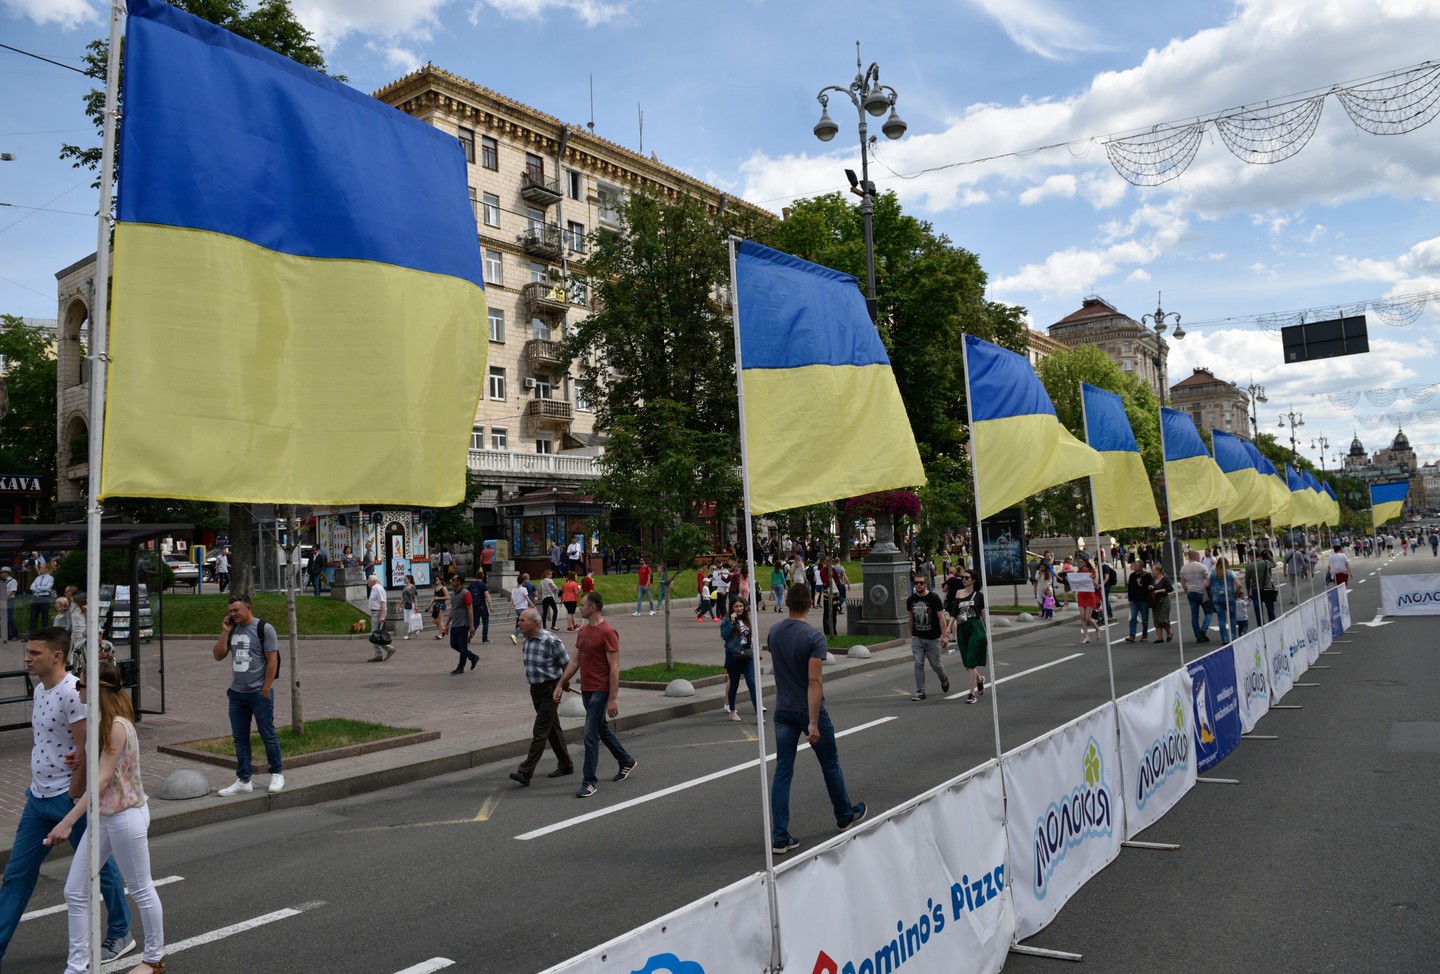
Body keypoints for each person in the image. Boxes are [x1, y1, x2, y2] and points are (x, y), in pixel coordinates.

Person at [0, 628, 133, 967]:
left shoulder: (73, 693)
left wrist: (76, 796)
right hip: (38, 797)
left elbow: (88, 750)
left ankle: (120, 932)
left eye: (35, 653)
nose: (27, 658)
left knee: (99, 869)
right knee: (16, 875)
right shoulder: (40, 689)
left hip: (68, 798)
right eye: (27, 652)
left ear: (57, 656)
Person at [50, 661, 167, 974]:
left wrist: (68, 821)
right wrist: (80, 759)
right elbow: (102, 770)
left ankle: (154, 960)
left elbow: (101, 780)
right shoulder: (100, 720)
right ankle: (76, 967)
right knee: (75, 890)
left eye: (80, 684)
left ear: (96, 689)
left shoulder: (116, 725)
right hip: (105, 815)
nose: (77, 689)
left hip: (125, 816)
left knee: (141, 889)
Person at [767, 583, 866, 855]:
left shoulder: (774, 631)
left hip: (783, 709)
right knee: (830, 763)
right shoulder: (814, 636)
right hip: (808, 710)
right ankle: (844, 815)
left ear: (787, 603)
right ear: (811, 604)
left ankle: (780, 836)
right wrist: (812, 721)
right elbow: (814, 680)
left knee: (783, 771)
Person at [555, 592, 636, 798]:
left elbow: (614, 667)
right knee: (601, 728)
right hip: (587, 689)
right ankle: (626, 760)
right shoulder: (583, 631)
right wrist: (561, 682)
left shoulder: (608, 632)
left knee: (589, 734)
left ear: (592, 608)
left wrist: (613, 698)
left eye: (582, 605)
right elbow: (576, 660)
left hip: (601, 690)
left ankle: (589, 781)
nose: (579, 608)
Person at [212, 595, 284, 795]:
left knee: (267, 734)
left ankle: (276, 773)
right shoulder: (233, 629)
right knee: (240, 737)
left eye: (236, 610)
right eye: (230, 611)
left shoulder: (264, 629)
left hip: (258, 693)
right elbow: (218, 655)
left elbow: (272, 660)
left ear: (248, 608)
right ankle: (244, 779)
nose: (232, 614)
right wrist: (225, 632)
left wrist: (266, 689)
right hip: (237, 694)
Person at [510, 608, 573, 786]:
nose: (519, 624)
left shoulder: (550, 640)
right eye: (519, 620)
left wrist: (563, 683)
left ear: (535, 623)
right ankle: (566, 764)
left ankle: (525, 772)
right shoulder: (527, 639)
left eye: (522, 621)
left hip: (550, 689)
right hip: (535, 689)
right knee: (552, 728)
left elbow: (567, 664)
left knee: (540, 730)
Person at [905, 574, 949, 701]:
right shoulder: (911, 599)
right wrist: (912, 635)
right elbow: (910, 618)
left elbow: (941, 618)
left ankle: (943, 678)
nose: (918, 585)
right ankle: (921, 691)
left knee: (935, 664)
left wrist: (945, 636)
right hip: (917, 638)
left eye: (921, 583)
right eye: (916, 583)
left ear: (926, 584)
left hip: (933, 638)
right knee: (918, 664)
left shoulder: (933, 598)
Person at [720, 596, 759, 720]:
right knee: (734, 684)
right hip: (733, 655)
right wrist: (732, 622)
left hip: (747, 654)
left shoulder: (746, 619)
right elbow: (724, 635)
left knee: (752, 682)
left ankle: (758, 711)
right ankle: (732, 711)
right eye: (736, 606)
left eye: (741, 606)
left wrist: (755, 650)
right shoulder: (727, 619)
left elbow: (749, 638)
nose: (739, 608)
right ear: (731, 607)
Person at [952, 570, 987, 704]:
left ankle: (971, 694)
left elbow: (983, 614)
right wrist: (948, 629)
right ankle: (979, 679)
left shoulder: (979, 595)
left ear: (973, 580)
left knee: (971, 660)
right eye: (963, 577)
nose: (964, 580)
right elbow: (954, 612)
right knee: (967, 662)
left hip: (975, 627)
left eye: (967, 578)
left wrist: (987, 631)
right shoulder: (958, 593)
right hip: (962, 628)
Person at [446, 575, 478, 675]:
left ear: (459, 582)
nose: (451, 581)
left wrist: (471, 625)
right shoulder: (453, 594)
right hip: (455, 624)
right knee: (453, 644)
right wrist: (447, 624)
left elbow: (470, 610)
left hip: (463, 624)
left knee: (463, 646)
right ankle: (472, 657)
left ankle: (461, 667)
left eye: (453, 580)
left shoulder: (466, 593)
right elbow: (452, 609)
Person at [1179, 549, 1212, 643]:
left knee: (1194, 615)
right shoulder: (1201, 566)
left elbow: (1183, 582)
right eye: (1199, 556)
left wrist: (1187, 591)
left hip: (1191, 592)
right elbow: (1207, 579)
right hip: (1202, 592)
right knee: (1208, 612)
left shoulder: (1183, 568)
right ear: (1196, 556)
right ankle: (1203, 630)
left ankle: (1198, 636)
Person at [1208, 556, 1239, 644]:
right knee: (1232, 617)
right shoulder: (1231, 573)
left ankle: (1224, 638)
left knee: (1221, 618)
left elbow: (1206, 584)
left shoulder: (1212, 573)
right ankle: (1233, 637)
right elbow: (1239, 585)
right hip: (1230, 596)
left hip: (1217, 597)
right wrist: (1236, 593)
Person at [1244, 550, 1278, 625]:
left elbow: (1247, 581)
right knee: (1270, 608)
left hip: (1255, 589)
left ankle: (1261, 625)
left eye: (1249, 556)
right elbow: (1274, 564)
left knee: (1258, 610)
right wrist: (1269, 556)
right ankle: (1273, 623)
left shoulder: (1249, 566)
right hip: (1267, 588)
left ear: (1251, 556)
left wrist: (1248, 593)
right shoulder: (1266, 562)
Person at [1074, 556, 1102, 644]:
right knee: (1082, 617)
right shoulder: (1079, 572)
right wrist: (1075, 595)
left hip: (1089, 595)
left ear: (1086, 562)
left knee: (1088, 617)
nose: (1080, 563)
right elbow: (1076, 584)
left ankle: (1097, 629)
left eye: (1081, 562)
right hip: (1081, 595)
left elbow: (1096, 585)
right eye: (1079, 562)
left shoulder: (1091, 571)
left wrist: (1091, 579)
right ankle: (1087, 637)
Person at [1124, 560, 1153, 643]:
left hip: (1143, 600)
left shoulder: (1146, 576)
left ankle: (1144, 635)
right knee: (1133, 617)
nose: (1134, 566)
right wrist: (1130, 599)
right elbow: (1130, 588)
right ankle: (1132, 635)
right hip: (1134, 601)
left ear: (1141, 567)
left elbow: (1148, 588)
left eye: (1136, 565)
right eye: (1134, 565)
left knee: (1144, 619)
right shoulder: (1132, 575)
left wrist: (1140, 584)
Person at [365, 575, 392, 662]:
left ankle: (386, 650)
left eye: (369, 580)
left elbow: (383, 602)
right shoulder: (373, 589)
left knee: (375, 634)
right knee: (375, 634)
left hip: (378, 612)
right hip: (375, 612)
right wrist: (371, 616)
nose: (367, 581)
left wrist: (382, 615)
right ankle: (379, 654)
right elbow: (374, 604)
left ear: (373, 581)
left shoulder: (378, 589)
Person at [28, 560, 54, 636]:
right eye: (40, 567)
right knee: (33, 617)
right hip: (36, 598)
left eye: (42, 567)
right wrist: (40, 589)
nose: (40, 569)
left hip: (44, 597)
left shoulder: (50, 578)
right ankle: (31, 634)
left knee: (44, 616)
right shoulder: (38, 577)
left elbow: (47, 588)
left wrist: (37, 587)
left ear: (46, 569)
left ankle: (44, 635)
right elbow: (31, 587)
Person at [1150, 563, 1174, 642]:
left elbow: (1170, 589)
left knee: (1163, 619)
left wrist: (1160, 590)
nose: (1152, 572)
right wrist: (1150, 587)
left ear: (1158, 571)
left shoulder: (1165, 579)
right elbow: (1151, 586)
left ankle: (1169, 633)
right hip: (1155, 601)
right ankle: (1159, 638)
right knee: (1156, 620)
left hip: (1164, 600)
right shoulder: (1153, 579)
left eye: (1153, 570)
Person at [510, 574, 534, 644]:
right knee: (525, 623)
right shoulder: (523, 589)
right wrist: (533, 605)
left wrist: (509, 610)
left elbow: (511, 601)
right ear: (523, 581)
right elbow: (527, 599)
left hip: (517, 609)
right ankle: (515, 635)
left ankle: (526, 638)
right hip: (523, 608)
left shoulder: (514, 590)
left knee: (523, 623)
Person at [401, 574, 421, 639]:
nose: (404, 580)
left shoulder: (413, 587)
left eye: (405, 579)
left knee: (411, 619)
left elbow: (415, 597)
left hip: (411, 604)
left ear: (409, 580)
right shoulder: (404, 588)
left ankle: (408, 634)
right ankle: (416, 629)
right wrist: (399, 605)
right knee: (407, 620)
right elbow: (403, 597)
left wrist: (416, 606)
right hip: (406, 605)